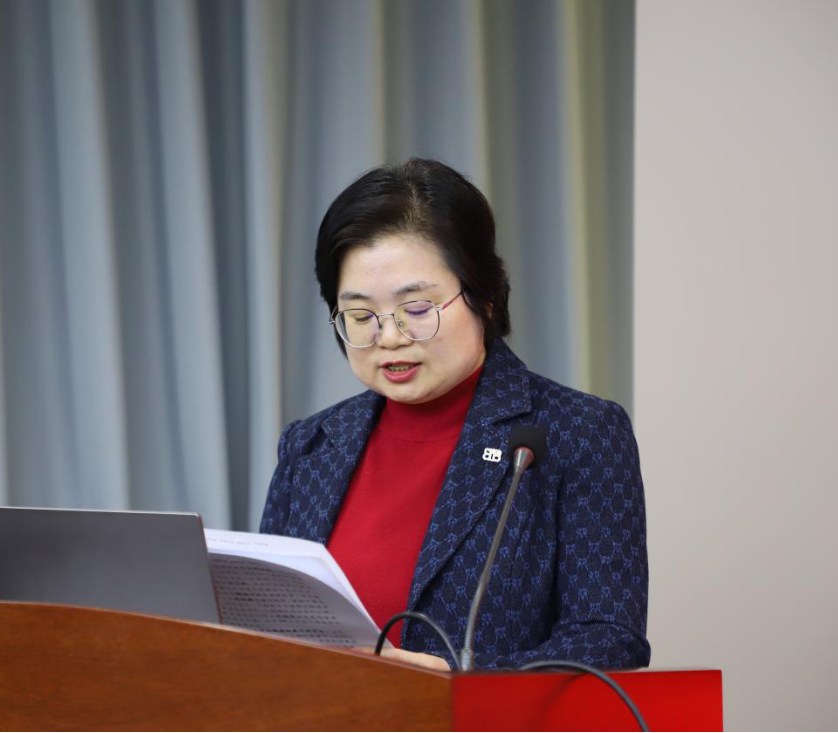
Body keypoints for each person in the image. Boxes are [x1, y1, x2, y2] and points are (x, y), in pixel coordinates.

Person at [259, 158, 650, 672]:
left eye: (417, 310)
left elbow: (609, 639)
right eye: (360, 315)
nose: (389, 337)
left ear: (484, 295)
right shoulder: (310, 444)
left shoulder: (577, 432)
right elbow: (263, 624)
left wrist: (457, 677)